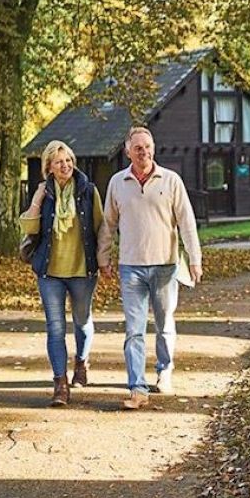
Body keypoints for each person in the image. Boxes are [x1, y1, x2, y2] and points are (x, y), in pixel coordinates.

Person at [98, 126, 202, 410]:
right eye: (138, 148)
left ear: (153, 148)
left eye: (147, 146)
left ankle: (164, 371)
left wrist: (194, 258)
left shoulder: (171, 180)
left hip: (165, 265)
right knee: (134, 329)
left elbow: (187, 223)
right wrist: (102, 258)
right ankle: (137, 387)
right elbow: (108, 224)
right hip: (131, 267)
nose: (143, 152)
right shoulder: (118, 182)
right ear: (128, 152)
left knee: (165, 323)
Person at [20, 140, 106, 407]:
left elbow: (101, 228)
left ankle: (81, 362)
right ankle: (60, 384)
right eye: (59, 162)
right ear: (49, 167)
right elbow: (30, 229)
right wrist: (36, 201)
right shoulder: (43, 193)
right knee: (55, 328)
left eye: (68, 160)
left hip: (82, 269)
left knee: (82, 320)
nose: (65, 165)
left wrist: (104, 260)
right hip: (50, 272)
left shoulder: (88, 191)